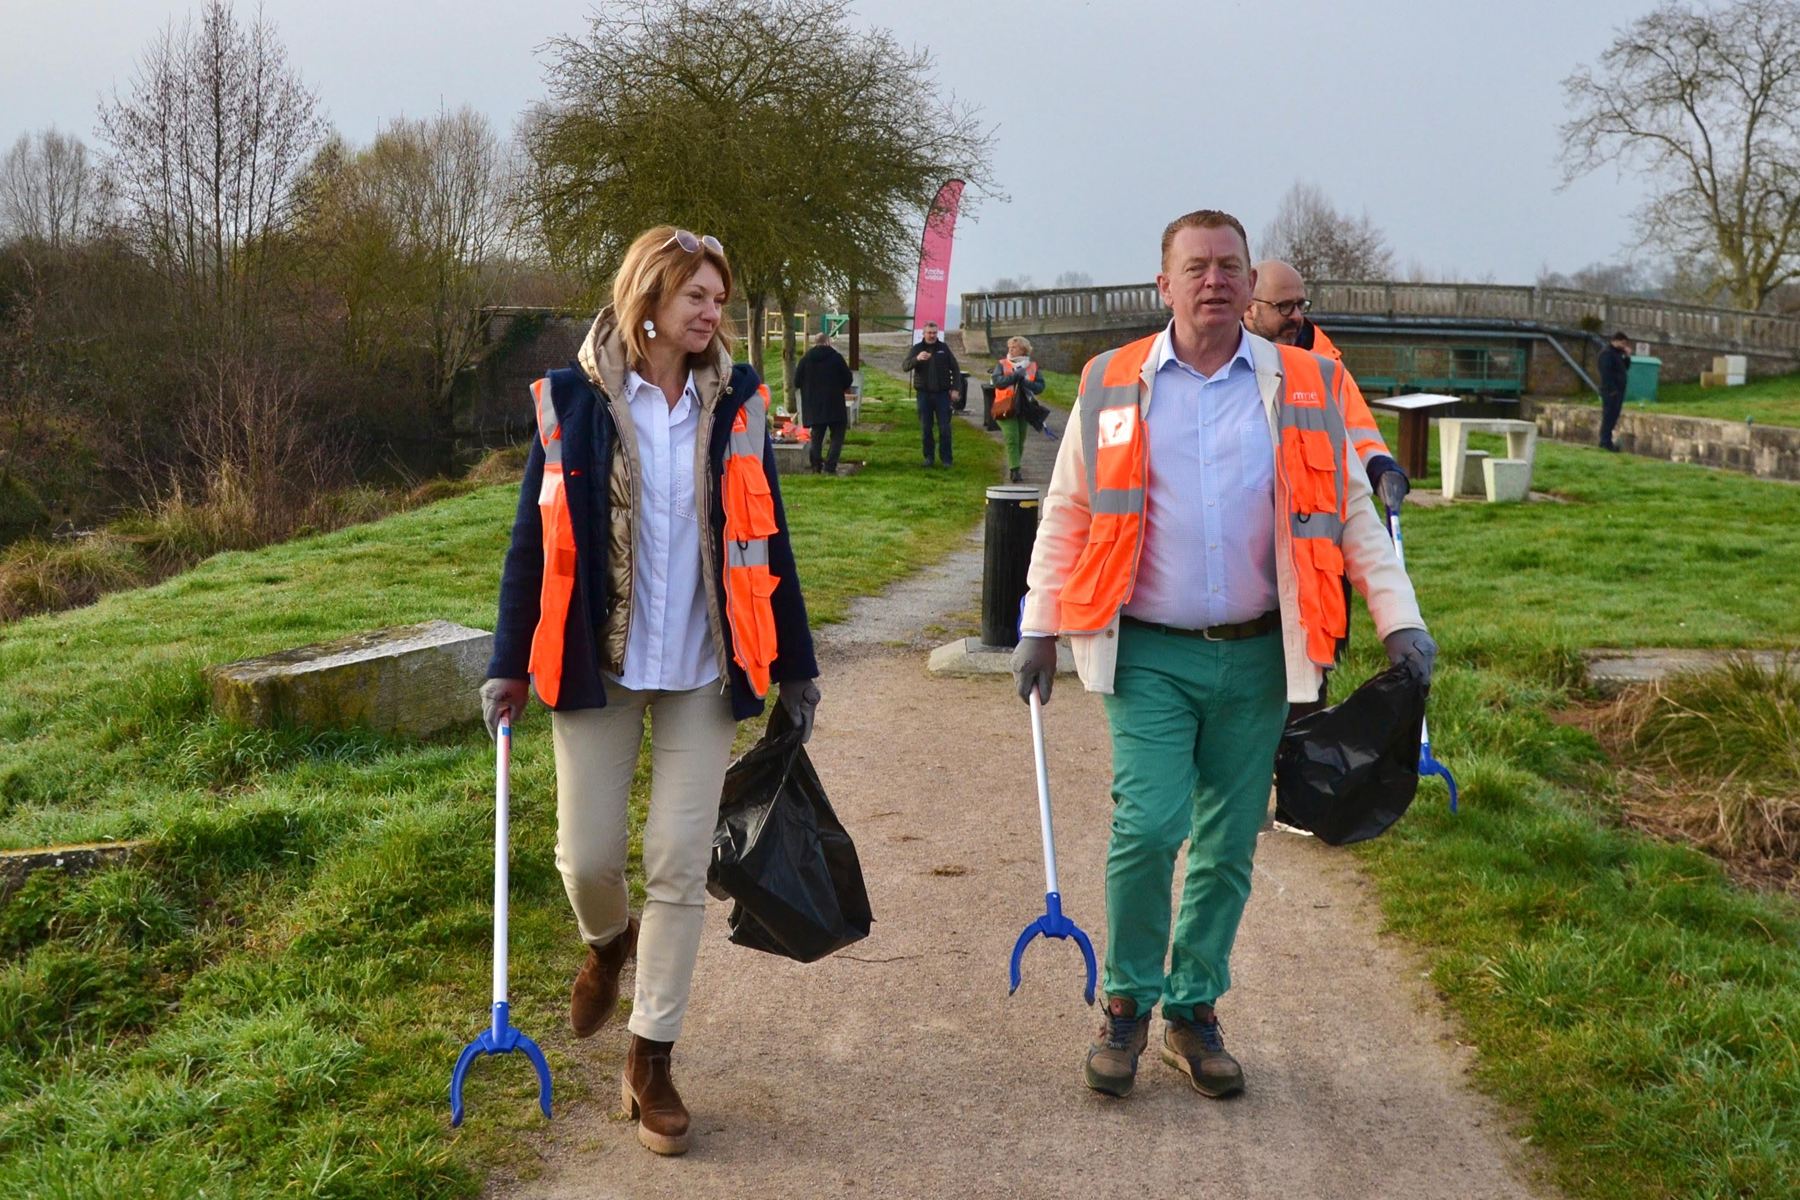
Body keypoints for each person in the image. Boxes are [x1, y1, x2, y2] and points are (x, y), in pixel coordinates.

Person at [1009, 210, 1435, 1103]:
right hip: (1149, 650)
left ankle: (1193, 1010)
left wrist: (1399, 620)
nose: (1215, 280)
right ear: (1162, 285)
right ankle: (1127, 1000)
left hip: (1259, 655)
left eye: (1230, 267)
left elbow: (1351, 514)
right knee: (1151, 824)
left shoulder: (1308, 382)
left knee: (1230, 842)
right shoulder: (1112, 381)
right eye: (1195, 267)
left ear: (1252, 285)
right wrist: (1038, 625)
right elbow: (1069, 511)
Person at [479, 226, 822, 1157]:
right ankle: (606, 944)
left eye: (718, 298)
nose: (712, 314)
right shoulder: (571, 403)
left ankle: (652, 1056)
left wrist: (797, 667)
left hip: (706, 670)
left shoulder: (740, 403)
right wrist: (508, 663)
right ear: (648, 302)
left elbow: (769, 542)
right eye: (696, 299)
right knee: (585, 858)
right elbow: (530, 542)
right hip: (598, 667)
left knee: (677, 862)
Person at [1244, 260, 1410, 514]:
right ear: (1249, 308)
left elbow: (1359, 431)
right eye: (1285, 307)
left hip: (1319, 532)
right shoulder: (1224, 364)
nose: (1297, 316)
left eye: (1301, 305)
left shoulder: (1327, 366)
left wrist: (1381, 467)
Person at [902, 321, 962, 467]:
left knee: (945, 428)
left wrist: (955, 388)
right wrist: (917, 359)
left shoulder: (943, 348)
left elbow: (955, 369)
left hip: (942, 394)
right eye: (929, 333)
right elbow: (905, 366)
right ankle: (929, 458)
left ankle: (947, 459)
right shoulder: (917, 349)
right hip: (924, 394)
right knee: (926, 428)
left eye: (934, 333)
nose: (932, 335)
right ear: (923, 334)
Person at [792, 331, 854, 474]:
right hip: (835, 404)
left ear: (815, 342)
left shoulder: (805, 359)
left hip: (814, 406)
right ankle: (830, 465)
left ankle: (816, 465)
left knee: (817, 437)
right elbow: (848, 379)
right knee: (837, 436)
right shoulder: (836, 358)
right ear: (828, 342)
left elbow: (796, 381)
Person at [991, 335, 1047, 482]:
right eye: (1009, 347)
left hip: (1024, 407)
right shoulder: (1002, 364)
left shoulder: (1032, 366)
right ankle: (1015, 470)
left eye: (1014, 347)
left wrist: (1026, 382)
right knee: (1012, 438)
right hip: (1005, 406)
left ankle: (1014, 465)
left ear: (1023, 349)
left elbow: (1040, 387)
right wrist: (1015, 376)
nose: (1010, 349)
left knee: (1020, 439)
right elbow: (998, 382)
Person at [1597, 331, 1630, 451]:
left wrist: (1627, 356)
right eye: (1623, 343)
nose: (1624, 346)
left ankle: (1607, 441)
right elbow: (1606, 373)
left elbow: (1625, 367)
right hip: (1610, 391)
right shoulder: (1607, 354)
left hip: (1619, 390)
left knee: (1614, 416)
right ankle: (1605, 441)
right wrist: (1611, 389)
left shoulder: (1618, 354)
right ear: (1615, 341)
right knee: (1608, 416)